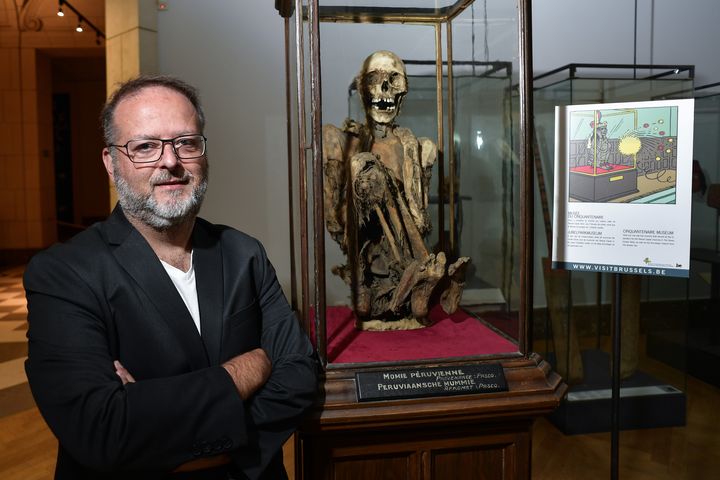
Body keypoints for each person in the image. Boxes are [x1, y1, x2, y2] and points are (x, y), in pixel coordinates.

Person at [23, 75, 318, 480]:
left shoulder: (244, 253)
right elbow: (101, 429)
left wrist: (165, 425)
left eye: (186, 142)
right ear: (111, 163)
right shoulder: (64, 274)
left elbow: (300, 377)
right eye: (145, 146)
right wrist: (250, 366)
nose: (170, 161)